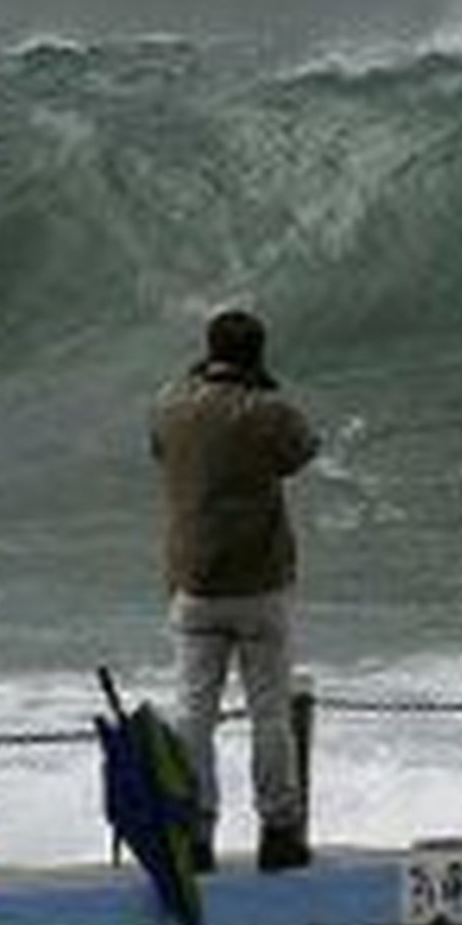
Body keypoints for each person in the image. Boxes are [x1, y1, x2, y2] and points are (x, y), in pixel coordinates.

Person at [150, 309, 319, 872]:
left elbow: (159, 446)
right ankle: (279, 832)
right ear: (259, 354)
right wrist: (263, 387)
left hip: (194, 583)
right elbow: (303, 450)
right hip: (261, 584)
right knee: (270, 713)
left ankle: (196, 837)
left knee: (193, 714)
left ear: (208, 350)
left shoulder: (173, 405)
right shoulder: (268, 411)